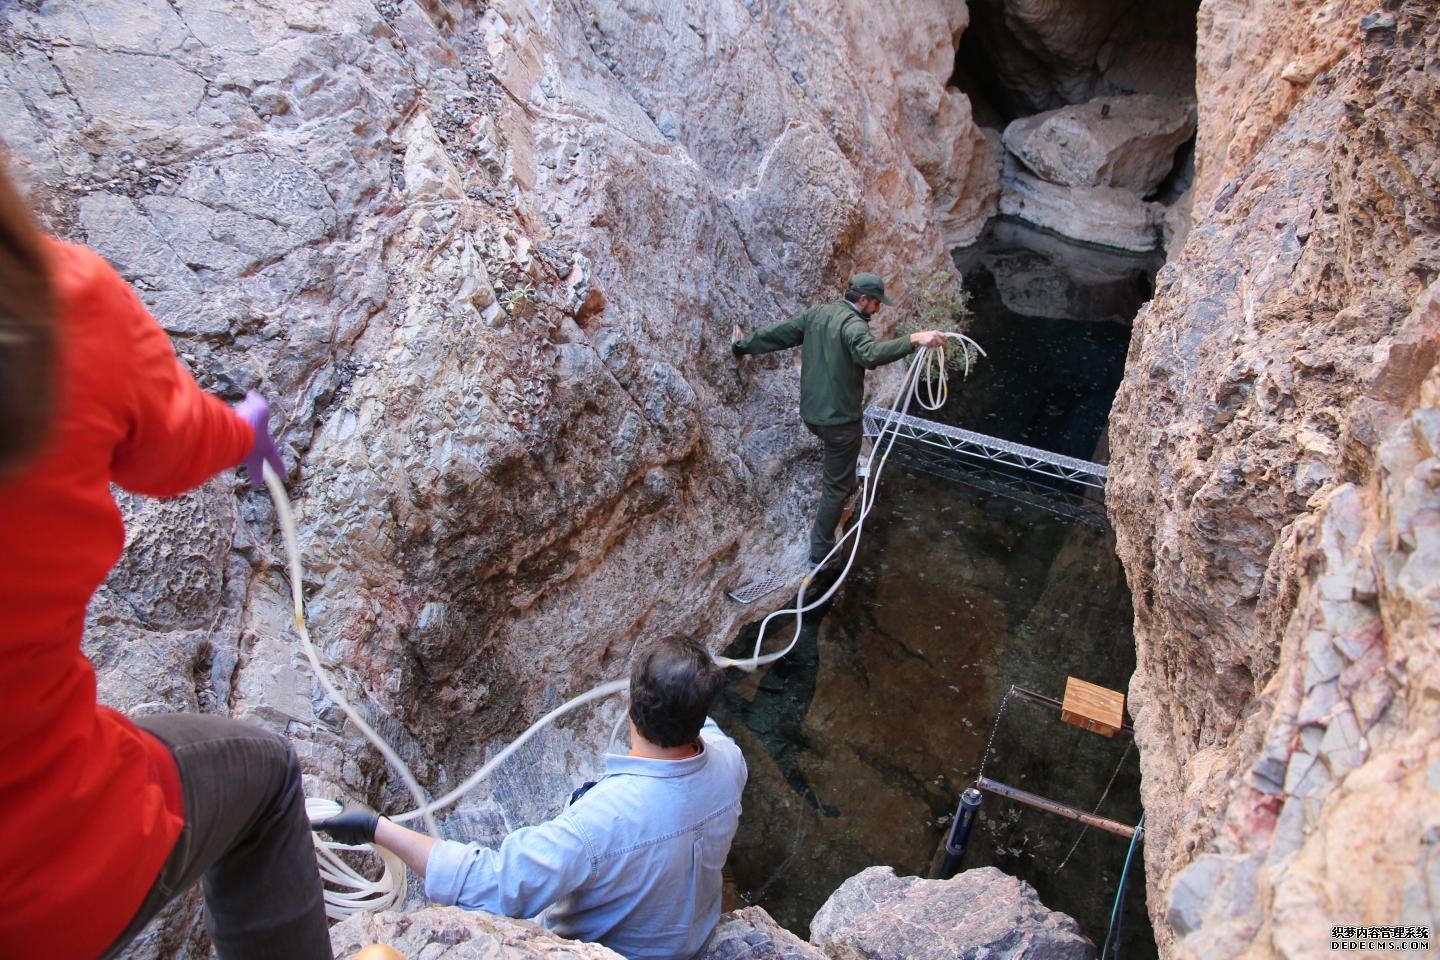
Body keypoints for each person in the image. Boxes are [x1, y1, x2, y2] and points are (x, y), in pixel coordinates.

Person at [0, 165, 332, 959]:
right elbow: (176, 446)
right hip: (50, 858)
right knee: (267, 776)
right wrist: (243, 429)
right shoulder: (58, 304)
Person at [315, 636, 747, 960]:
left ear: (629, 702)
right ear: (699, 714)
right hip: (692, 940)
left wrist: (377, 827)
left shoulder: (598, 824)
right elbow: (708, 733)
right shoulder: (729, 764)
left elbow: (493, 884)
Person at [731, 273, 946, 565]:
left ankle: (845, 477)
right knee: (838, 487)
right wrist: (914, 339)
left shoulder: (818, 314)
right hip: (840, 425)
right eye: (876, 303)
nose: (878, 309)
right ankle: (821, 551)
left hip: (812, 416)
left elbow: (778, 335)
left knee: (839, 462)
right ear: (863, 300)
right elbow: (869, 355)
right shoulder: (854, 326)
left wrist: (741, 346)